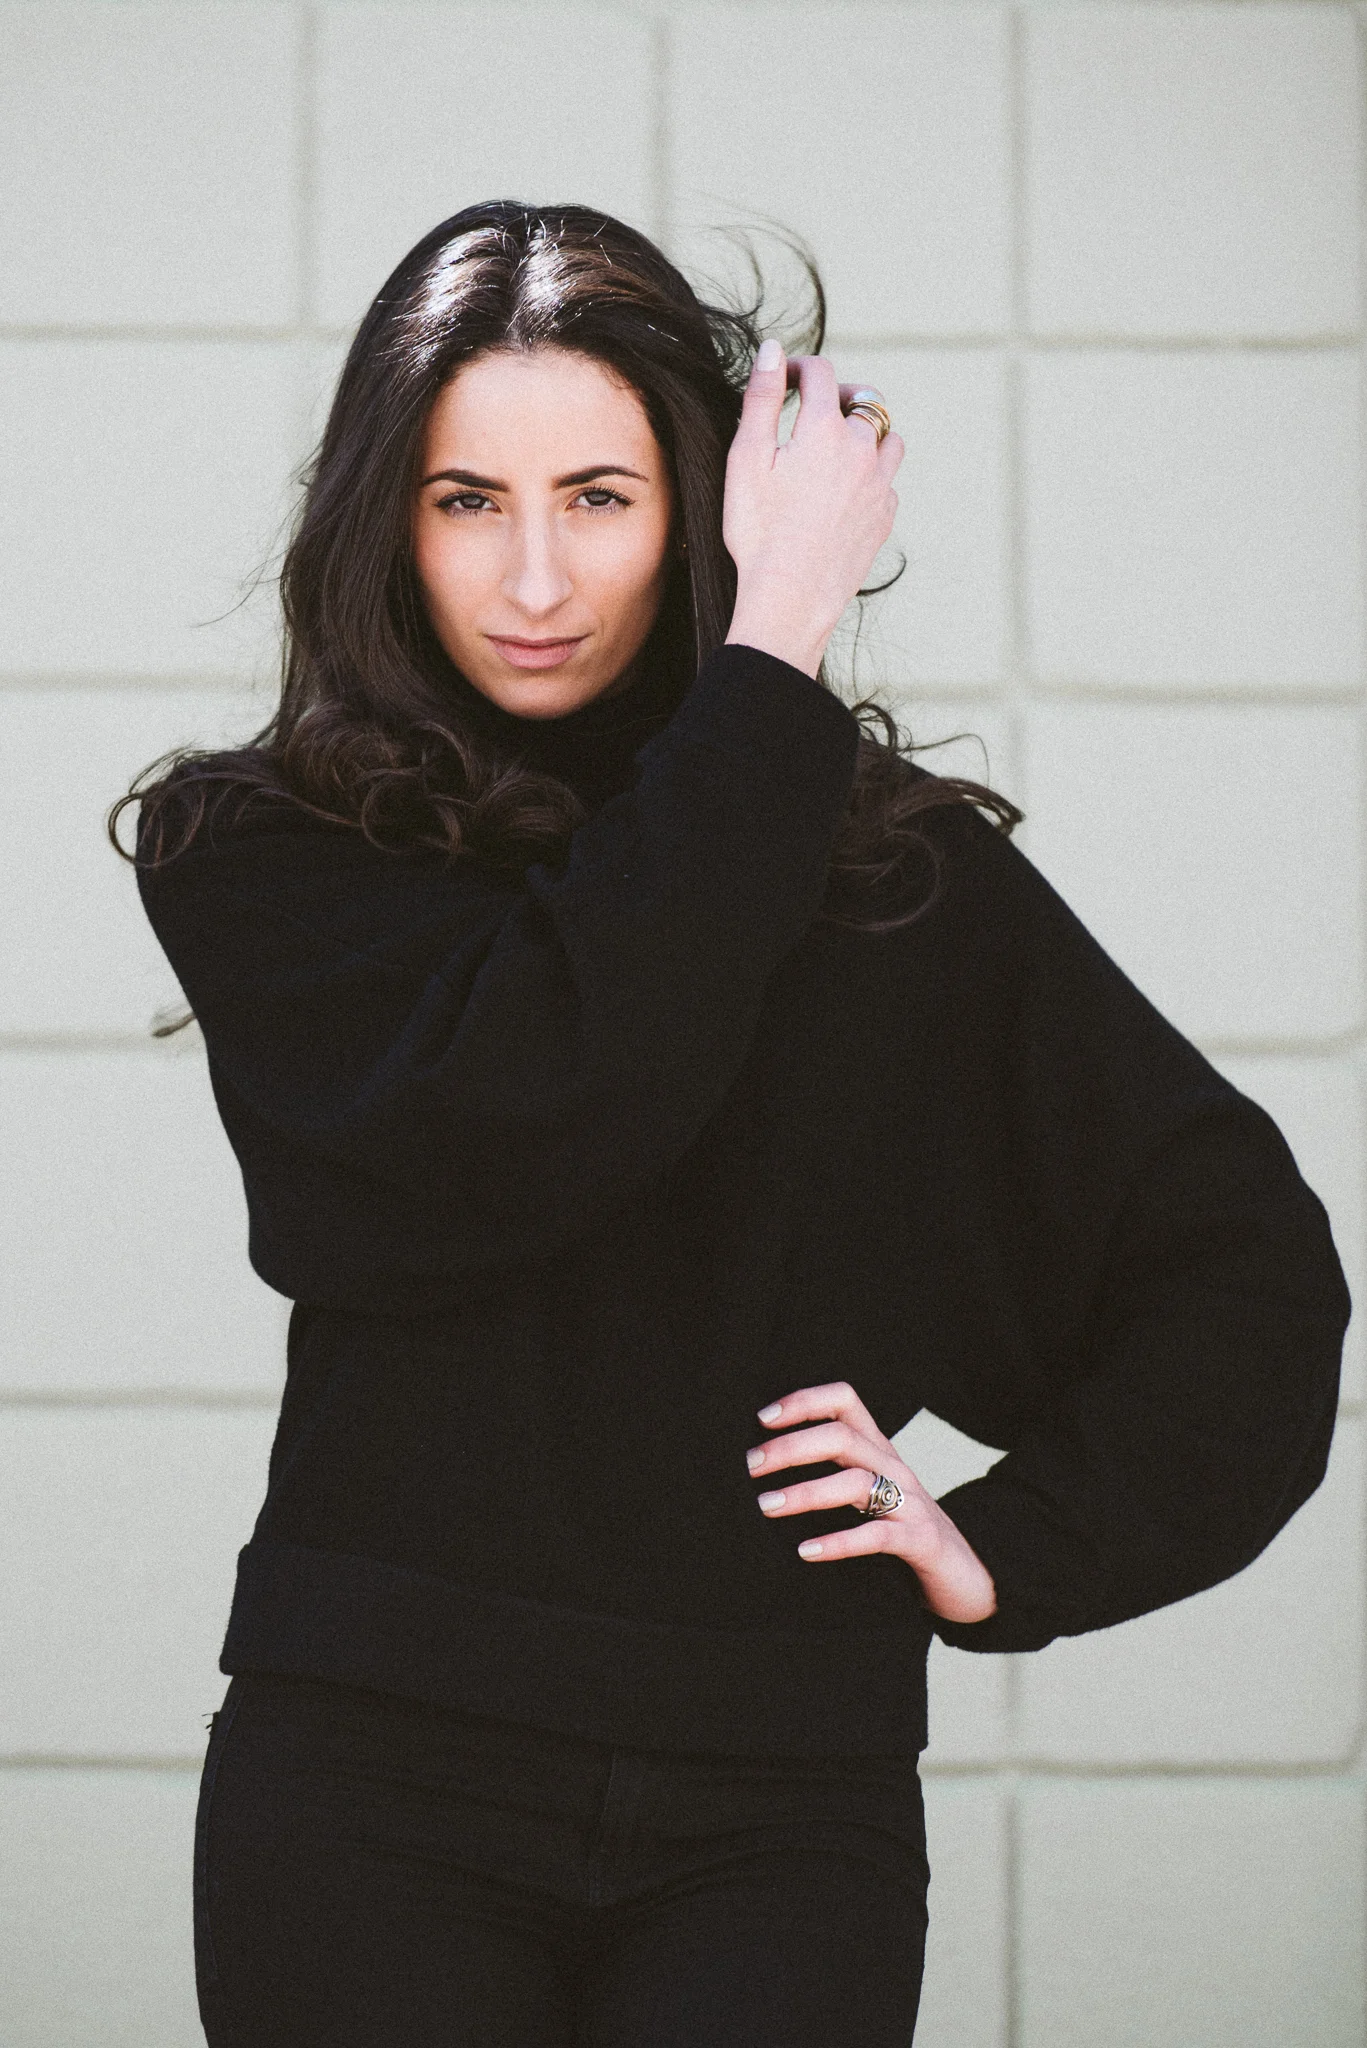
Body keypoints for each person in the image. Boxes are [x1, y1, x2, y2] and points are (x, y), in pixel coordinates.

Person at [115, 201, 1349, 2048]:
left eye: (601, 498)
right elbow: (535, 1106)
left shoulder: (887, 878)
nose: (535, 576)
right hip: (376, 1784)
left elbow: (1240, 1272)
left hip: (780, 1811)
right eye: (467, 500)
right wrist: (773, 655)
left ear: (693, 513)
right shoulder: (271, 850)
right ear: (385, 523)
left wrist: (1016, 1548)